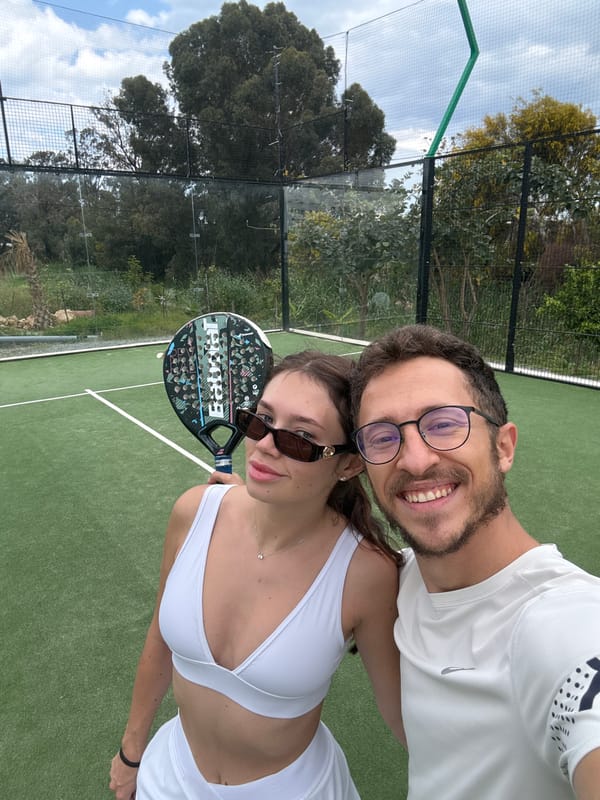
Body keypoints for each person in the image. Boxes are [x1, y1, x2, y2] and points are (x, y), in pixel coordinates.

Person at [109, 350, 404, 800]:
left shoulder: (365, 572)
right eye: (261, 421)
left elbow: (399, 710)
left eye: (301, 438)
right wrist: (132, 754)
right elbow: (159, 640)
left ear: (348, 464)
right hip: (168, 779)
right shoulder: (193, 512)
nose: (266, 444)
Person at [350, 323, 600, 800]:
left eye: (443, 423)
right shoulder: (398, 578)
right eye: (382, 437)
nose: (415, 461)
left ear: (503, 447)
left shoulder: (562, 622)